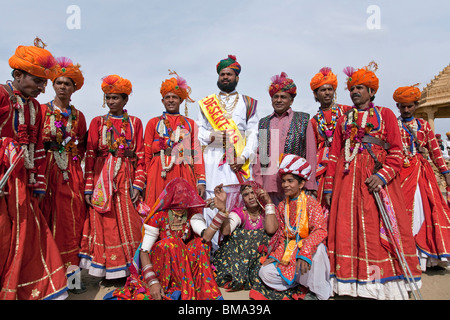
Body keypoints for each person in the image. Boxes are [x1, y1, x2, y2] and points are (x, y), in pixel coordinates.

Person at [324, 62, 422, 300]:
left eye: (360, 87)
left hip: (377, 183)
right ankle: (351, 285)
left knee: (377, 230)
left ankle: (382, 285)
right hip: (346, 183)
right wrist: (329, 186)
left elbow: (397, 151)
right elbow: (335, 154)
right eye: (352, 88)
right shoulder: (343, 118)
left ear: (371, 92)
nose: (355, 92)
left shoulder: (386, 114)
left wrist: (382, 176)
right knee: (348, 228)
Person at [0, 39, 68, 300]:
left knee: (29, 237)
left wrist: (38, 184)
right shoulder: (2, 96)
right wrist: (7, 147)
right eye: (37, 81)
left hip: (22, 184)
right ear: (17, 75)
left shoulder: (34, 109)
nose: (42, 87)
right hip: (4, 181)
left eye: (43, 82)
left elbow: (37, 147)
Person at [112, 178, 223, 300]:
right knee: (172, 243)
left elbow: (206, 236)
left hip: (182, 264)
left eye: (185, 194)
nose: (182, 198)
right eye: (178, 194)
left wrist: (222, 212)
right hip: (162, 265)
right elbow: (144, 251)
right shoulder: (158, 217)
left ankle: (191, 284)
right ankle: (174, 285)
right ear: (171, 196)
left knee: (201, 244)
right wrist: (153, 282)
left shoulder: (192, 214)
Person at [79, 74, 145, 281]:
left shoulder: (135, 122)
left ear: (125, 100)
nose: (111, 102)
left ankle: (130, 269)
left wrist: (138, 185)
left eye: (115, 98)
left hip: (126, 174)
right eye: (108, 98)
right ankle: (108, 270)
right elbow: (90, 155)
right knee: (104, 222)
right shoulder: (97, 122)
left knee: (131, 222)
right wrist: (89, 186)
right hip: (101, 176)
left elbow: (141, 154)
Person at [197, 54, 259, 251]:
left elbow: (254, 134)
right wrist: (214, 136)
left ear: (237, 78)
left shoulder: (249, 103)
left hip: (238, 162)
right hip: (213, 160)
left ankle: (234, 250)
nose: (225, 77)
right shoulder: (206, 103)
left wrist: (243, 157)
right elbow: (199, 132)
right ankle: (212, 252)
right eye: (222, 74)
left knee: (237, 201)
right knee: (212, 200)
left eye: (229, 74)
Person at [252, 154, 331, 300]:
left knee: (319, 250)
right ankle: (299, 282)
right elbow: (283, 236)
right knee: (265, 272)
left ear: (301, 184)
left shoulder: (311, 203)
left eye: (290, 181)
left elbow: (320, 230)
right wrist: (275, 257)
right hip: (290, 251)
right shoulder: (282, 206)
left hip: (308, 250)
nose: (285, 185)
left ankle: (317, 293)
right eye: (283, 181)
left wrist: (306, 250)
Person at [40, 57, 88, 284]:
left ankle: (72, 278)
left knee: (71, 221)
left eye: (67, 84)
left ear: (74, 88)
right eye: (58, 82)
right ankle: (46, 277)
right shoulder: (41, 111)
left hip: (71, 170)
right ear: (52, 85)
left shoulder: (79, 117)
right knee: (45, 217)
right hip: (46, 168)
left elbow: (83, 147)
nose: (62, 87)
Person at [394, 85, 450, 270]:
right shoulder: (393, 124)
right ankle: (406, 255)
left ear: (416, 105)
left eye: (409, 106)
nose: (406, 110)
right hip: (399, 174)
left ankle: (425, 256)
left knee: (424, 210)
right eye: (402, 106)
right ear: (398, 107)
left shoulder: (423, 126)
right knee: (401, 212)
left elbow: (435, 151)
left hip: (420, 175)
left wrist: (446, 173)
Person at [144, 72, 205, 207]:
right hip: (159, 173)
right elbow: (146, 155)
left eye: (174, 97)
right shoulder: (153, 123)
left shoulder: (190, 124)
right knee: (157, 210)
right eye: (167, 97)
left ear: (181, 100)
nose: (171, 100)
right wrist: (145, 181)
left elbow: (197, 153)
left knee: (182, 209)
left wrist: (201, 180)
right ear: (162, 101)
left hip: (183, 171)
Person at [256, 72, 317, 206]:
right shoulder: (264, 122)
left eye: (283, 97)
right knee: (271, 224)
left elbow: (311, 154)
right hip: (269, 186)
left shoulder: (303, 119)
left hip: (294, 186)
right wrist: (259, 183)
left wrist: (310, 184)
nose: (278, 100)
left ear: (291, 100)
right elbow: (261, 155)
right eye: (275, 97)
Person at [211, 181, 278, 292]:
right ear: (242, 198)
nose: (251, 197)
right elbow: (226, 231)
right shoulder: (240, 213)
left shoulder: (267, 211)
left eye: (253, 193)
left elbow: (271, 230)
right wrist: (222, 209)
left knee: (265, 236)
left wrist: (269, 202)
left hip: (259, 260)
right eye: (246, 195)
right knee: (236, 236)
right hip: (240, 259)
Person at [309, 67, 351, 206]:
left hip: (345, 159)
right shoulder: (313, 121)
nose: (327, 93)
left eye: (330, 89)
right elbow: (312, 149)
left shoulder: (347, 111)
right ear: (316, 94)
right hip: (323, 167)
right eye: (322, 90)